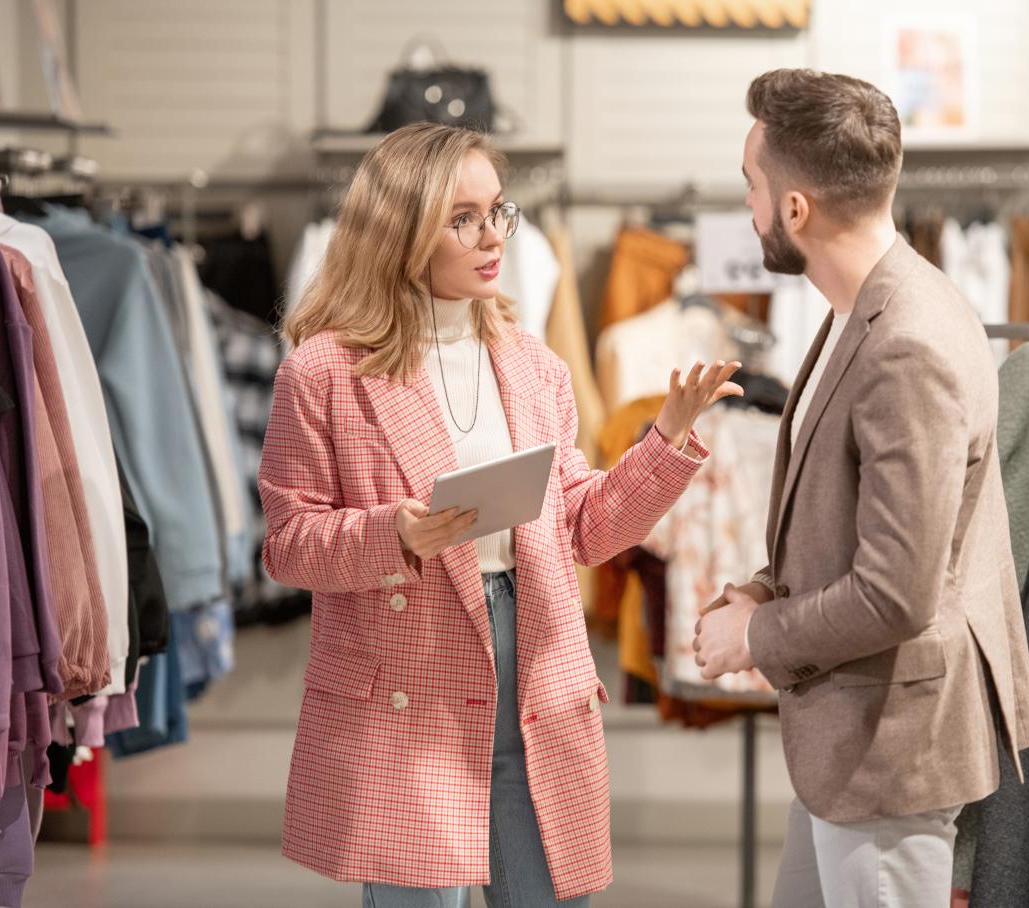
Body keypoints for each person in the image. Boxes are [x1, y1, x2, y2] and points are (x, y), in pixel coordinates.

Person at [259, 122, 740, 907]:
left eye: (498, 212)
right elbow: (287, 543)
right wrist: (396, 534)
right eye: (464, 218)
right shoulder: (322, 373)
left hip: (540, 658)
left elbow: (583, 527)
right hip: (409, 670)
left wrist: (666, 441)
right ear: (402, 232)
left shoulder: (533, 365)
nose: (494, 237)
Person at [692, 69, 1029, 908]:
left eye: (753, 185)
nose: (748, 206)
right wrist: (767, 587)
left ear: (797, 209)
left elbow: (897, 590)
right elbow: (860, 524)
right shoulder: (864, 308)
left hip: (891, 744)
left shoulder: (905, 340)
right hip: (854, 737)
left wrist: (758, 633)